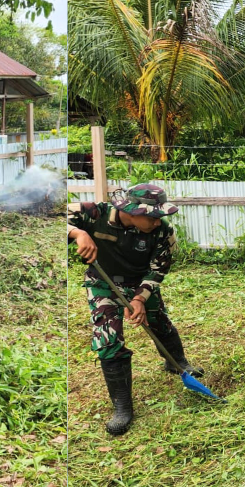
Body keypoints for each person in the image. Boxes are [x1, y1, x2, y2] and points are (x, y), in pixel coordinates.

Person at [67, 181, 193, 436]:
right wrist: (78, 233)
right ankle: (123, 407)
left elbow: (159, 269)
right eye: (154, 216)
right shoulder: (94, 213)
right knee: (107, 338)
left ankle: (178, 363)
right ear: (135, 211)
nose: (158, 221)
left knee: (159, 322)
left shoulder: (162, 232)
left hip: (139, 283)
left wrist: (139, 299)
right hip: (103, 283)